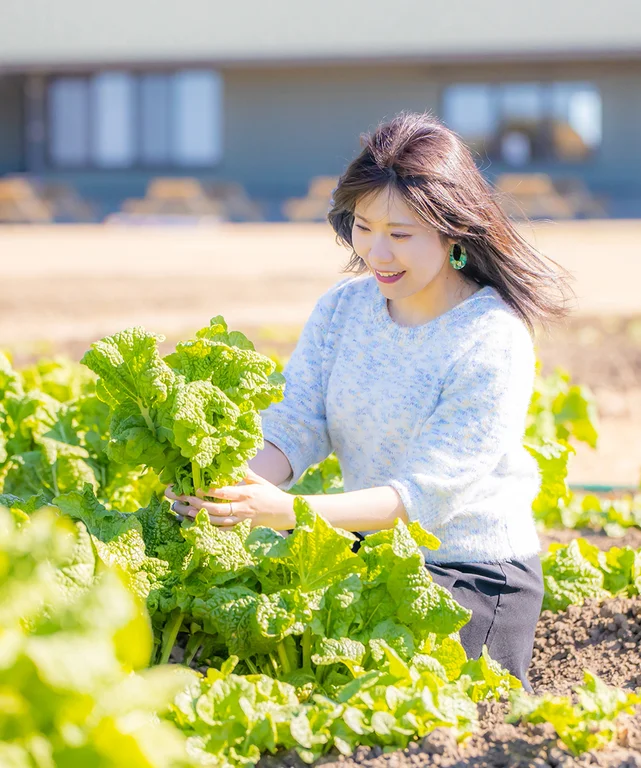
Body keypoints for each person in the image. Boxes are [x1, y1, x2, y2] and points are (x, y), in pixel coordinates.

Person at [167, 110, 573, 690]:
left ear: (454, 231)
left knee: (370, 691)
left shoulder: (491, 337)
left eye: (400, 235)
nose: (377, 252)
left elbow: (422, 497)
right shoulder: (343, 308)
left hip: (467, 574)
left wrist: (284, 513)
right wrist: (232, 489)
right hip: (368, 554)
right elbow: (297, 420)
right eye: (363, 227)